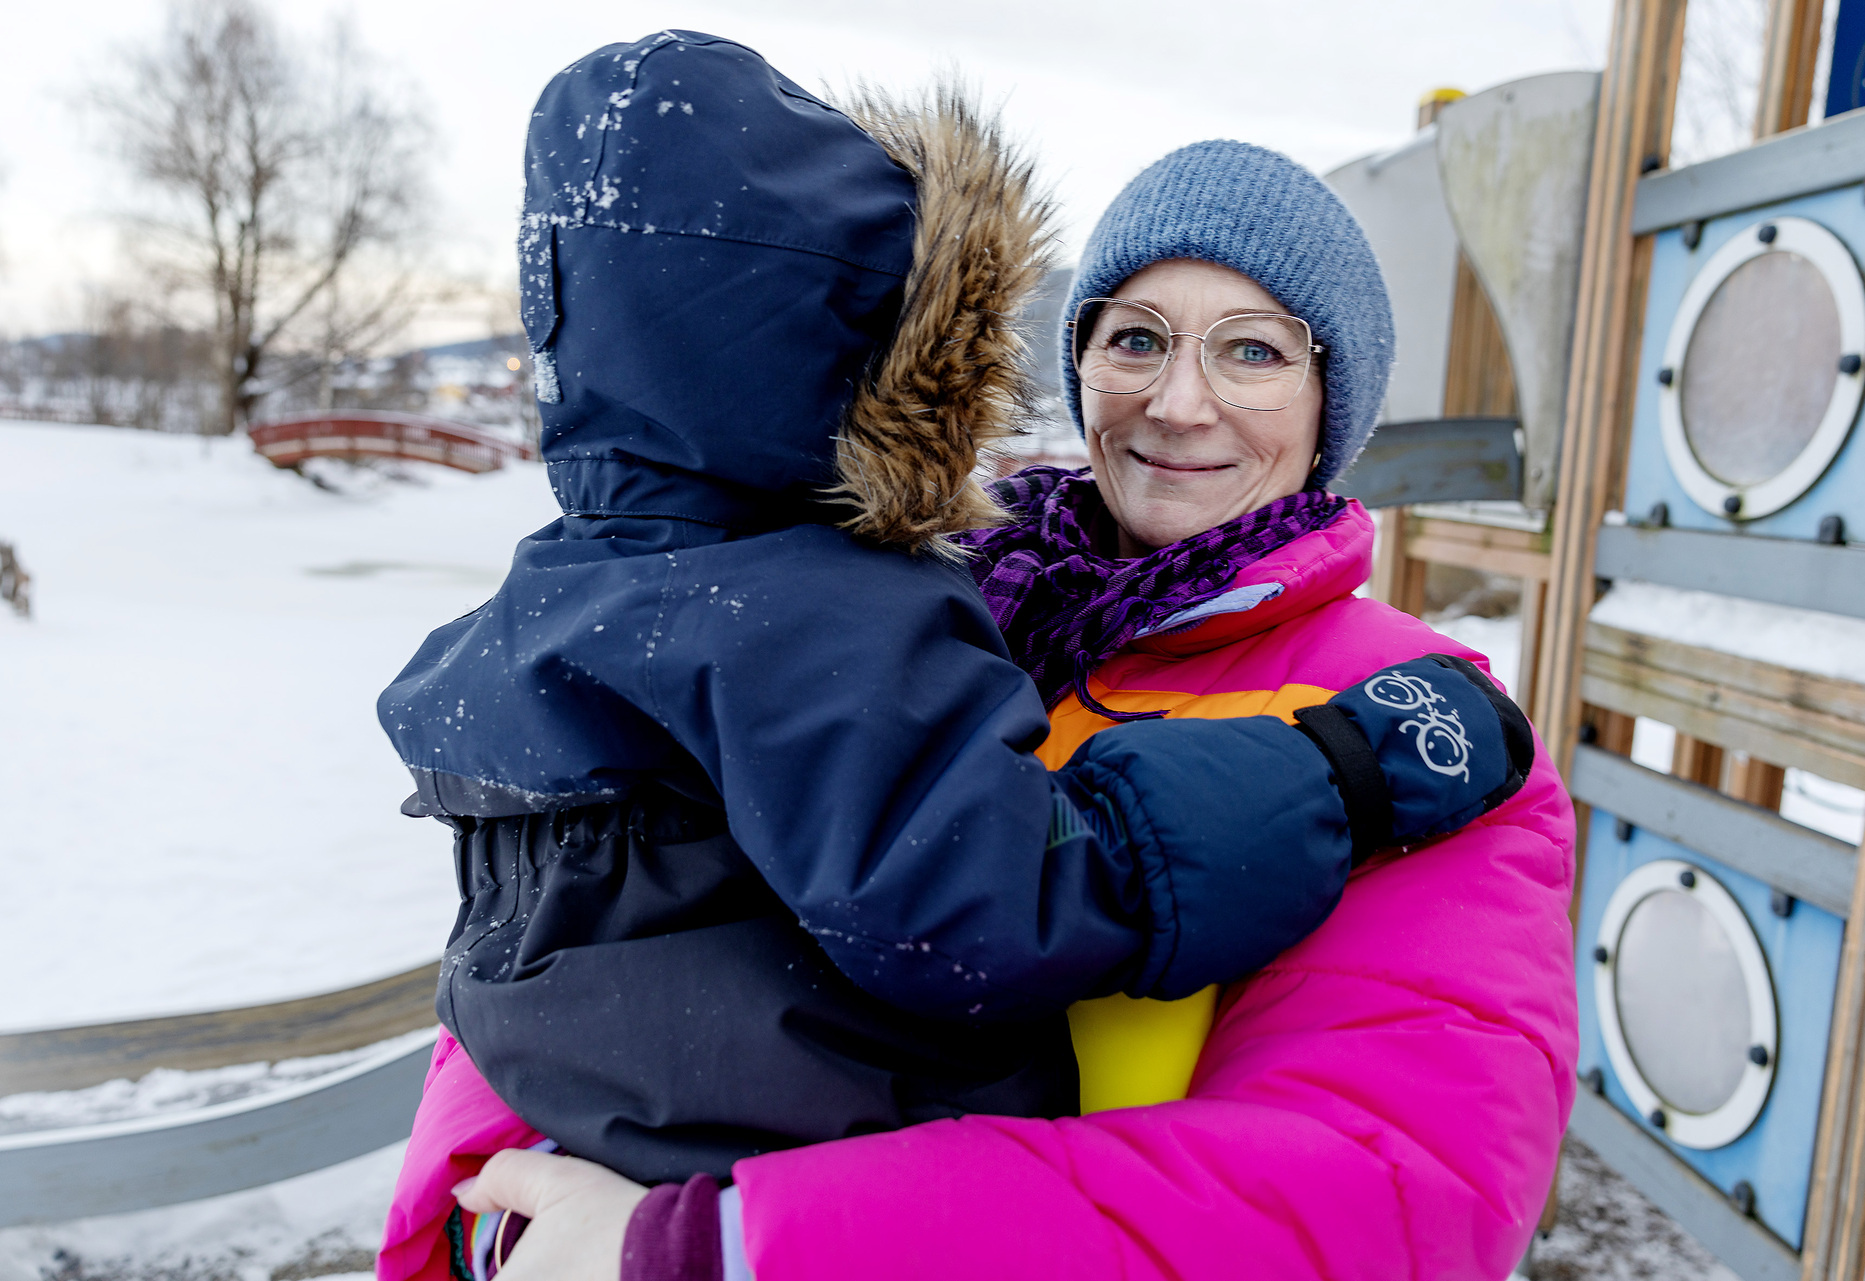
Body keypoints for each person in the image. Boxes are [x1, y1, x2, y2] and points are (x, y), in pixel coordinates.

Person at [374, 36, 1542, 1281]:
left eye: (1254, 350)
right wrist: (486, 1227)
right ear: (1069, 362)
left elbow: (1385, 1200)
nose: (1180, 402)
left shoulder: (1416, 722)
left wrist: (712, 1244)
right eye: (1135, 337)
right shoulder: (873, 618)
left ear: (1333, 404)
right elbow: (535, 986)